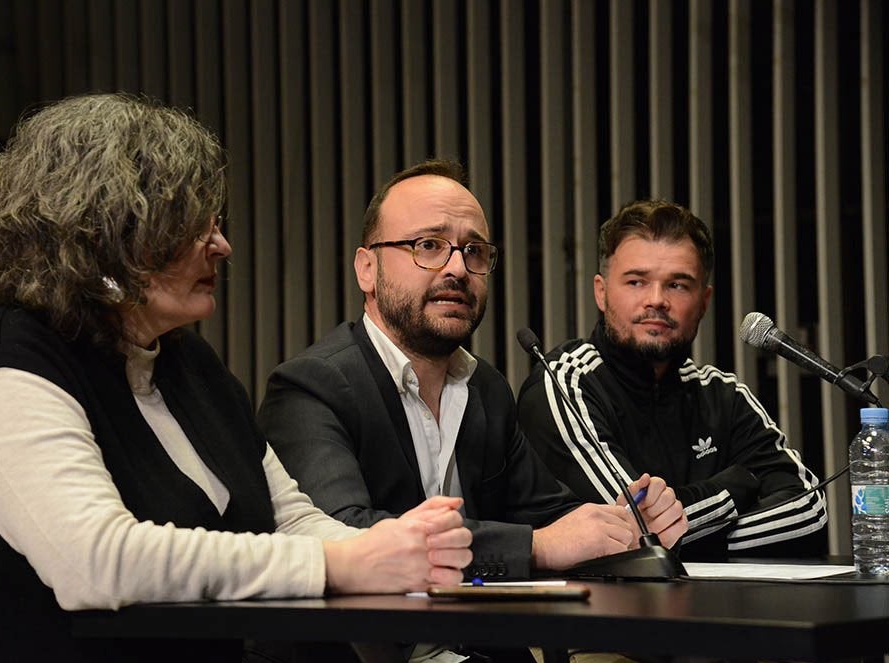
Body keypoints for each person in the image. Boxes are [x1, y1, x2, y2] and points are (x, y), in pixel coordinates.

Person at [0, 95, 472, 663]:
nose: (222, 245)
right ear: (106, 229)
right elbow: (98, 563)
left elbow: (289, 518)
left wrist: (403, 550)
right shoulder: (10, 365)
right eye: (193, 223)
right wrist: (343, 565)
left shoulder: (187, 364)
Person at [258, 160, 687, 581]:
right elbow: (346, 535)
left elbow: (545, 514)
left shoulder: (485, 387)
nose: (458, 268)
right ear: (367, 269)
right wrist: (537, 547)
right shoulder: (311, 387)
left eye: (474, 251)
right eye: (428, 245)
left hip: (477, 648)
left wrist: (625, 523)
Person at [518, 199, 828, 561]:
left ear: (704, 301)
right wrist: (736, 486)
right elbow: (633, 531)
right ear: (601, 293)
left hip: (728, 613)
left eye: (678, 285)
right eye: (636, 281)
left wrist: (683, 537)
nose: (656, 300)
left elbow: (808, 514)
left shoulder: (723, 394)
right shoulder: (564, 382)